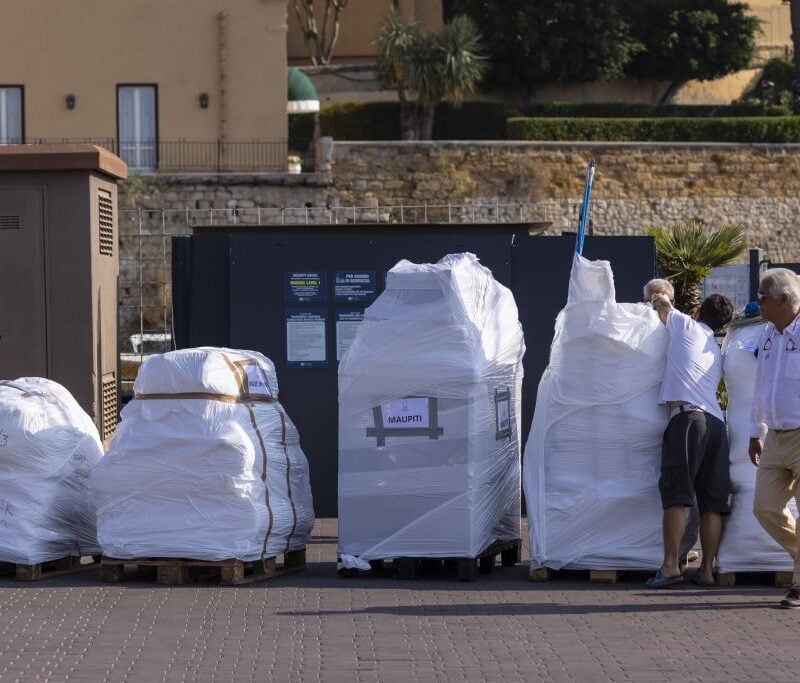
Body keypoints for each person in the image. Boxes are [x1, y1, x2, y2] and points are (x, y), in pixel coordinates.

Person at [645, 292, 734, 588]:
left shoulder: (685, 325)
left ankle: (670, 566)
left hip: (688, 420)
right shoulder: (716, 349)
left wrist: (660, 297)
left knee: (677, 494)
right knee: (712, 502)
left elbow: (660, 303)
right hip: (716, 424)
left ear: (697, 312)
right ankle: (707, 570)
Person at [749, 268, 800, 609]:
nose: (758, 303)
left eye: (763, 298)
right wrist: (756, 431)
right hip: (776, 437)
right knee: (764, 507)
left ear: (784, 299)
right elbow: (760, 385)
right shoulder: (767, 333)